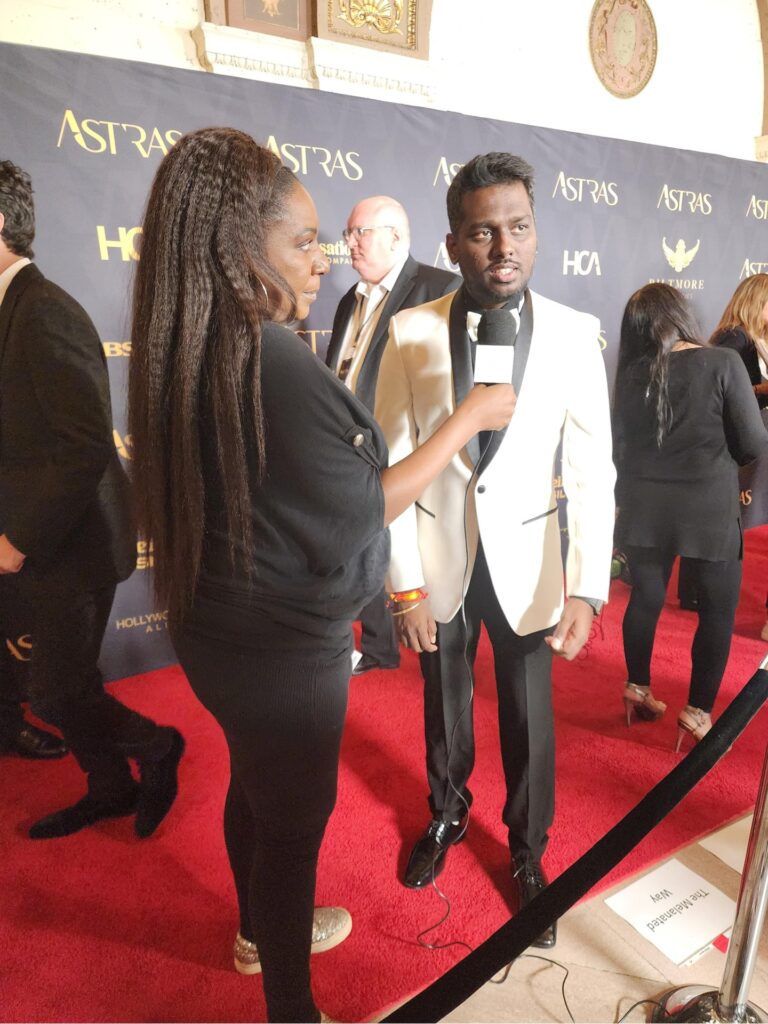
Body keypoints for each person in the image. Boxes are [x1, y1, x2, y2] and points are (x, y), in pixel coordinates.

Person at [127, 127, 514, 1024]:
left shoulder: (196, 340)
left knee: (256, 785)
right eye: (304, 240)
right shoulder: (272, 355)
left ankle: (258, 935)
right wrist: (465, 423)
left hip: (218, 629)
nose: (323, 259)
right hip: (282, 647)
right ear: (239, 244)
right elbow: (359, 506)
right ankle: (291, 1006)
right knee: (294, 825)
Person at [375, 152, 616, 949]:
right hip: (439, 558)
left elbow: (593, 470)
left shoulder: (575, 334)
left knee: (528, 713)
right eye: (484, 232)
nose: (504, 246)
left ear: (536, 232)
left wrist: (587, 587)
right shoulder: (410, 332)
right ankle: (447, 814)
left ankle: (528, 850)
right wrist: (405, 588)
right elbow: (394, 467)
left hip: (528, 563)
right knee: (443, 704)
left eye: (519, 227)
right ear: (453, 244)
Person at [0, 159, 183, 839]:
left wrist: (18, 540)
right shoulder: (11, 308)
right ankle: (109, 788)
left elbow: (82, 446)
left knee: (52, 692)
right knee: (62, 684)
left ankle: (158, 748)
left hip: (73, 543)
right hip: (42, 537)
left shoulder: (45, 310)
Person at [613, 283, 768, 750]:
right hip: (709, 508)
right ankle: (697, 713)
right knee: (717, 612)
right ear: (680, 313)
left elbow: (619, 448)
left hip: (642, 507)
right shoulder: (721, 362)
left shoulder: (630, 374)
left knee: (645, 598)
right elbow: (753, 444)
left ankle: (637, 687)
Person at [326, 195, 460, 676]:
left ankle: (427, 640)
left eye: (360, 232)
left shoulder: (440, 288)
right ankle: (378, 646)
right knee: (363, 546)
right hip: (349, 449)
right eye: (349, 233)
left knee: (401, 545)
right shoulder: (351, 299)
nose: (350, 243)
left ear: (396, 237)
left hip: (408, 450)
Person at [710, 273, 768, 640]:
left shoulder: (753, 339)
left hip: (748, 443)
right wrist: (764, 389)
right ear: (755, 301)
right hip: (735, 446)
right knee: (725, 524)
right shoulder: (735, 338)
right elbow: (725, 390)